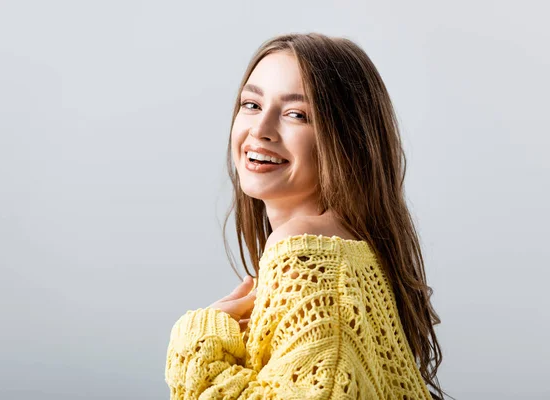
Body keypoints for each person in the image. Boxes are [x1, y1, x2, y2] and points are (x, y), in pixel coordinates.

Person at [164, 32, 451, 399]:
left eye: (296, 114)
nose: (260, 130)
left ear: (346, 141)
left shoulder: (306, 254)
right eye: (251, 104)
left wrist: (196, 340)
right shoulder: (356, 254)